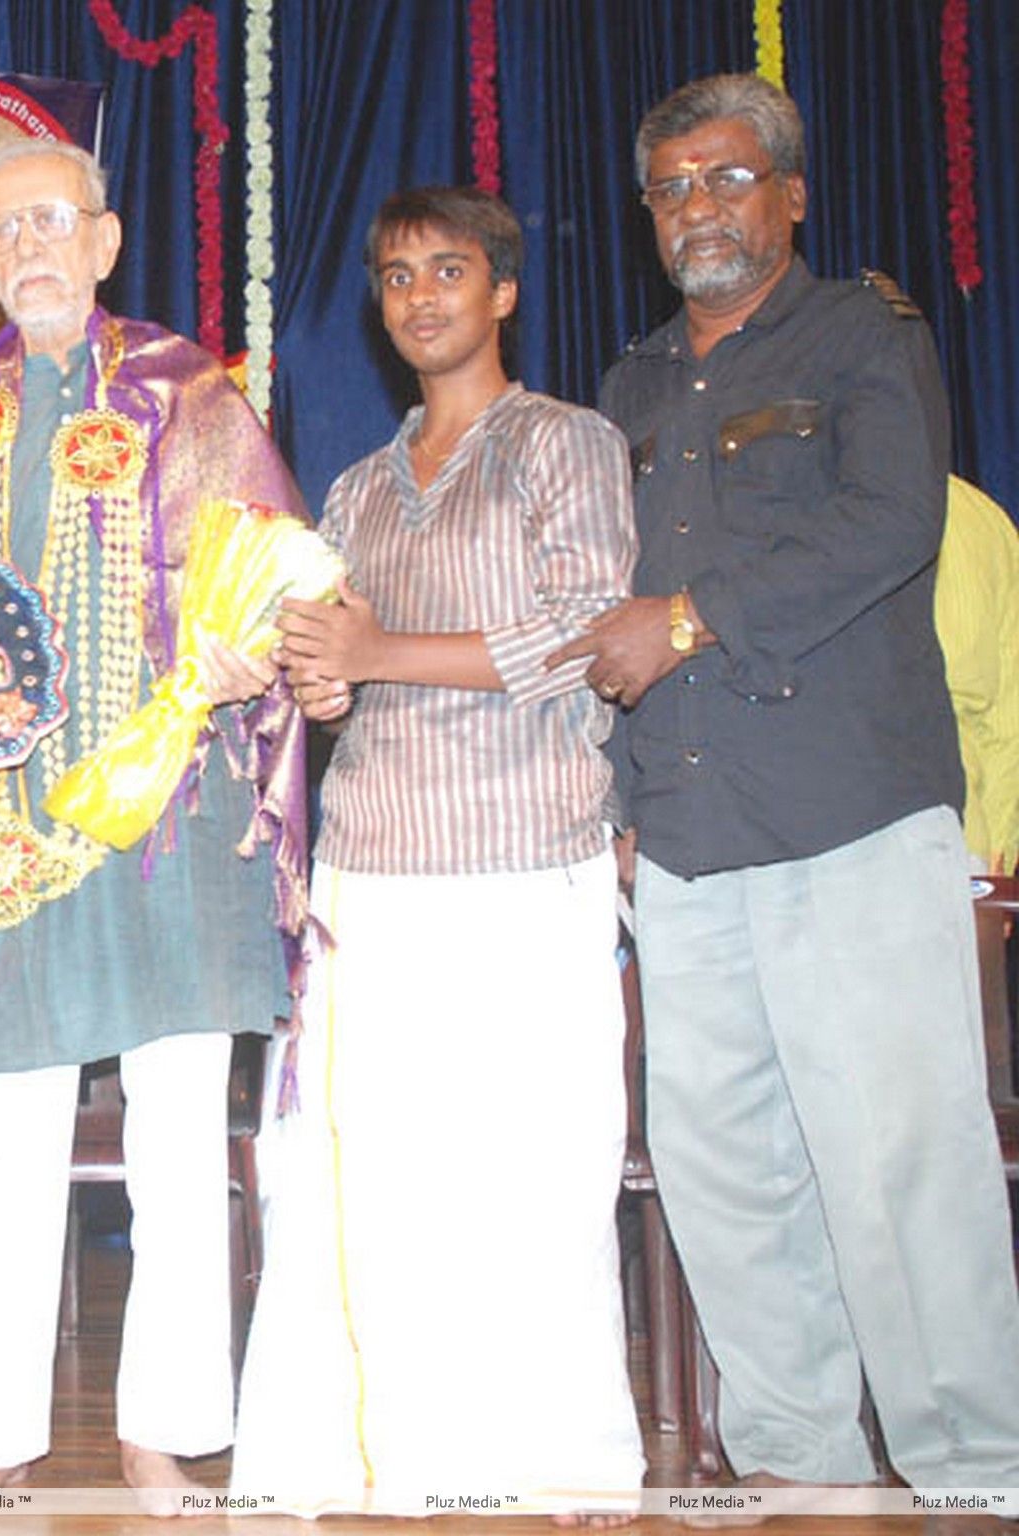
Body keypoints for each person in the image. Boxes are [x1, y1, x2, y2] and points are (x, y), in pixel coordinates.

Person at [549, 73, 1019, 1500]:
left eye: (730, 177)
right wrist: (620, 806)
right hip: (685, 841)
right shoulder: (626, 390)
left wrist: (689, 617)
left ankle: (975, 1474)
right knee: (726, 1176)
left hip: (849, 816)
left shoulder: (865, 339)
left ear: (792, 195)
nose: (701, 206)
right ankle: (802, 1475)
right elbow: (595, 609)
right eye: (674, 188)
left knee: (900, 1166)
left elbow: (893, 521)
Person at [0, 140, 310, 1508]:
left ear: (107, 240)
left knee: (181, 1133)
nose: (29, 254)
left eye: (51, 225)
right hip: (3, 827)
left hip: (173, 810)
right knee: (11, 1134)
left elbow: (278, 571)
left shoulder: (192, 393)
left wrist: (251, 648)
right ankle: (0, 1434)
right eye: (2, 239)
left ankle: (161, 1428)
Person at [234, 187, 644, 1519]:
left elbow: (591, 633)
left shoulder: (564, 443)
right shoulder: (357, 483)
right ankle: (384, 1457)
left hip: (527, 858)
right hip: (373, 869)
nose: (420, 295)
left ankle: (551, 1460)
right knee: (373, 1175)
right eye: (398, 274)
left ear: (504, 293)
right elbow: (336, 673)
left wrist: (376, 656)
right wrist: (319, 681)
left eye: (450, 270)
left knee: (539, 1164)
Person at [935, 475, 1019, 876]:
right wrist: (997, 857)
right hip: (963, 839)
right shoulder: (980, 515)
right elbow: (1008, 718)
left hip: (821, 846)